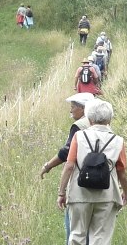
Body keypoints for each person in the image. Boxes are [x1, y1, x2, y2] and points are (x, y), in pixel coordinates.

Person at [57, 99, 127, 245]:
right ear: (109, 119)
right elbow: (122, 171)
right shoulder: (118, 141)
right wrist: (126, 193)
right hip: (107, 196)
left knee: (77, 236)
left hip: (79, 195)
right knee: (101, 239)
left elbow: (69, 166)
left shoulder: (79, 137)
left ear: (89, 119)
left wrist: (61, 192)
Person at [40, 92, 95, 244]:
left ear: (83, 109)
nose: (70, 111)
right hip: (102, 185)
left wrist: (48, 166)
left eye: (73, 107)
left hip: (80, 183)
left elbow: (67, 154)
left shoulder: (79, 126)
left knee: (73, 231)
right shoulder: (101, 124)